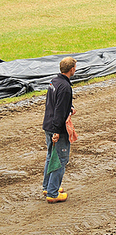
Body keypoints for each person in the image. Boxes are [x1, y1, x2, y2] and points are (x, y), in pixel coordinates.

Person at [42, 57, 77, 204]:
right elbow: (59, 111)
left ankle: (47, 187)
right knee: (61, 160)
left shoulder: (54, 82)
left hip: (48, 124)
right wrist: (57, 132)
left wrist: (69, 108)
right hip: (57, 129)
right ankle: (52, 193)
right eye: (75, 67)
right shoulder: (65, 87)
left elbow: (54, 103)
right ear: (72, 69)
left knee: (51, 156)